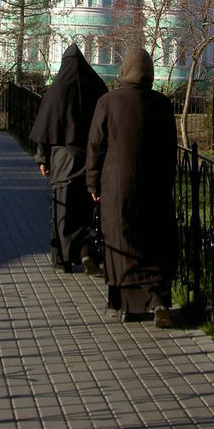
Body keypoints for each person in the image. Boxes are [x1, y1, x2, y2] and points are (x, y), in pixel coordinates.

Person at [86, 47, 178, 327]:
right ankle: (158, 300)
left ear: (123, 72)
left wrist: (92, 181)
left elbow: (96, 146)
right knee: (154, 240)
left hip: (117, 187)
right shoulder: (162, 105)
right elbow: (169, 150)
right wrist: (167, 183)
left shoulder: (108, 102)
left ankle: (128, 304)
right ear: (149, 74)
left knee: (121, 239)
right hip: (154, 186)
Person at [30, 43, 107, 274]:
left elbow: (46, 125)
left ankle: (63, 260)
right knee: (87, 211)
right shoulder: (97, 88)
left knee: (62, 212)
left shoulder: (56, 91)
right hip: (90, 161)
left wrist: (42, 158)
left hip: (62, 162)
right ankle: (85, 252)